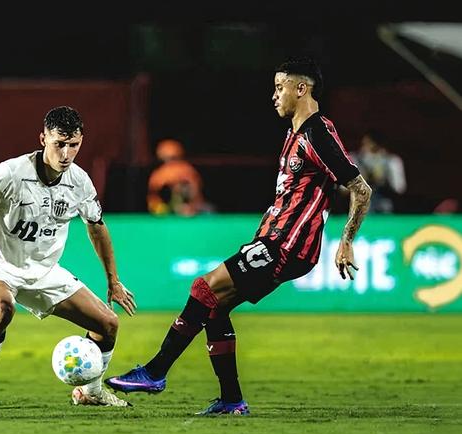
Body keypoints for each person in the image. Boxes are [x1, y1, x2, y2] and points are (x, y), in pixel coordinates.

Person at [105, 57, 372, 415]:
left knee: (204, 287)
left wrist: (347, 240)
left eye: (280, 87)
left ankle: (155, 372)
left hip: (287, 244)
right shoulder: (296, 132)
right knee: (214, 309)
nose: (274, 95)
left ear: (301, 88)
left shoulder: (316, 133)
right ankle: (231, 400)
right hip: (276, 240)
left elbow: (360, 188)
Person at [0, 106, 136, 409]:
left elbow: (97, 228)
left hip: (44, 270)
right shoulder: (10, 173)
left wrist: (113, 281)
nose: (65, 154)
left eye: (73, 145)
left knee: (108, 324)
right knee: (1, 310)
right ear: (43, 139)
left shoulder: (79, 182)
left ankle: (91, 391)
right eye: (59, 144)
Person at [147, 139, 207, 216]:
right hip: (166, 211)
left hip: (193, 209)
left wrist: (192, 206)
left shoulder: (187, 170)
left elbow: (197, 194)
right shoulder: (158, 174)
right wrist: (160, 208)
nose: (171, 163)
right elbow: (152, 196)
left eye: (173, 158)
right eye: (167, 159)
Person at [351, 130, 406, 213]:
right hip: (359, 208)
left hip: (385, 207)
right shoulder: (355, 160)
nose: (364, 149)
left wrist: (385, 177)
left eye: (369, 146)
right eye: (364, 145)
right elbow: (342, 189)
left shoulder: (392, 161)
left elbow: (399, 188)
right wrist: (360, 179)